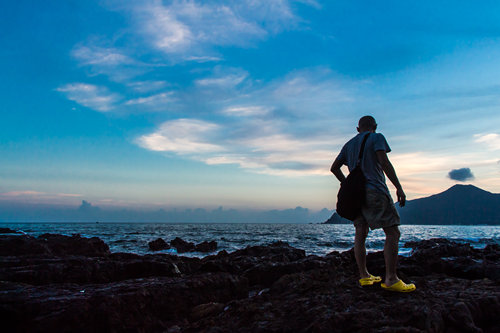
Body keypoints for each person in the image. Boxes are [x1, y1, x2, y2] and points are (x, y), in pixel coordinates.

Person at [330, 116, 416, 292]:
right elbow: (384, 162)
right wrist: (398, 187)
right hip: (375, 190)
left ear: (357, 129)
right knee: (392, 231)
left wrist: (346, 183)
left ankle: (364, 276)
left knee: (360, 232)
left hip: (356, 194)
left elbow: (334, 168)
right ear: (374, 127)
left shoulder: (348, 144)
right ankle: (391, 279)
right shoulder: (377, 137)